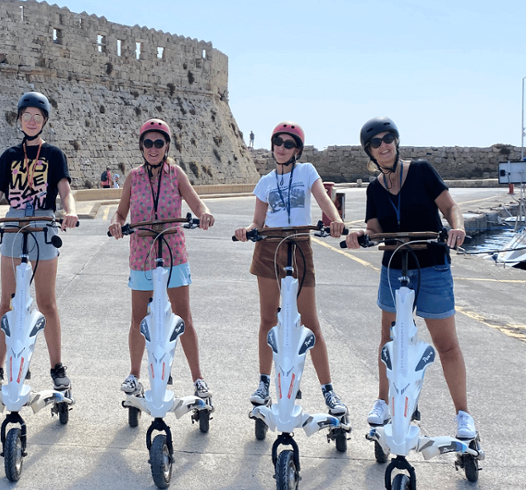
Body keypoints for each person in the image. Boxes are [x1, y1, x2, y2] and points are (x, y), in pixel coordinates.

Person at [344, 116, 476, 440]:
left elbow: (450, 206)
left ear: (396, 142)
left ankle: (463, 415)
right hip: (394, 268)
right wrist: (361, 235)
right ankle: (383, 402)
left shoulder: (421, 171)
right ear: (370, 151)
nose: (384, 145)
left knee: (446, 345)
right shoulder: (374, 188)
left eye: (388, 138)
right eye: (376, 142)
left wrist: (457, 227)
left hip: (432, 265)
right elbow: (374, 230)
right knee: (389, 342)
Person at [233, 122, 348, 415]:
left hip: (299, 247)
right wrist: (247, 230)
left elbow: (325, 200)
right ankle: (263, 383)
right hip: (269, 247)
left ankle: (329, 392)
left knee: (310, 324)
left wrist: (334, 219)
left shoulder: (307, 172)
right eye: (277, 142)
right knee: (267, 320)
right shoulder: (265, 182)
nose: (281, 148)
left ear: (297, 150)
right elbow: (258, 222)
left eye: (288, 143)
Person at [0, 91, 79, 392]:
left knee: (47, 302)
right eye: (26, 116)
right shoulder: (9, 156)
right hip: (14, 224)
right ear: (19, 119)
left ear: (44, 120)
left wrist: (69, 211)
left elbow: (65, 189)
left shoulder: (54, 155)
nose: (31, 121)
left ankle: (57, 366)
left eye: (37, 116)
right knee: (7, 301)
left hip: (44, 223)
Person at [107, 118, 215, 401]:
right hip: (141, 254)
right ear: (141, 147)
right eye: (148, 143)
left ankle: (198, 379)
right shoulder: (133, 177)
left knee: (184, 318)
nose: (153, 148)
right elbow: (120, 212)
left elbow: (195, 201)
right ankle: (134, 375)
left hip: (173, 252)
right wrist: (116, 223)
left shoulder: (176, 174)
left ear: (167, 146)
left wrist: (204, 213)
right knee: (137, 319)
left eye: (158, 143)